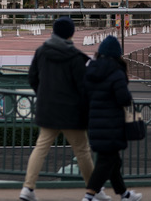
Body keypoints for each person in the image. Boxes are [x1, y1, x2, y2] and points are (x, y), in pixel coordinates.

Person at [20, 17, 111, 201]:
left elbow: (32, 77)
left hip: (48, 108)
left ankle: (27, 188)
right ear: (71, 33)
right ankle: (94, 190)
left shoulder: (42, 51)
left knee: (41, 147)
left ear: (53, 31)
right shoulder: (76, 57)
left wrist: (44, 95)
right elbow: (83, 87)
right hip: (71, 112)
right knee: (82, 150)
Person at [82, 36, 143, 201]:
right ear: (118, 55)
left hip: (95, 121)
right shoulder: (116, 72)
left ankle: (125, 194)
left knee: (113, 161)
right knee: (106, 161)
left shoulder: (90, 70)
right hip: (112, 123)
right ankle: (89, 195)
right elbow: (124, 98)